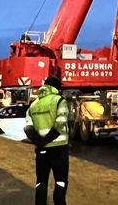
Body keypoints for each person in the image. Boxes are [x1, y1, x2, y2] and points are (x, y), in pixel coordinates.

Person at [24, 76, 69, 205]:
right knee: (60, 181)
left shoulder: (34, 104)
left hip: (41, 151)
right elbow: (61, 123)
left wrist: (39, 141)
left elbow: (27, 126)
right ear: (56, 88)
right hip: (59, 149)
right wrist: (48, 139)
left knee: (41, 182)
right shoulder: (60, 101)